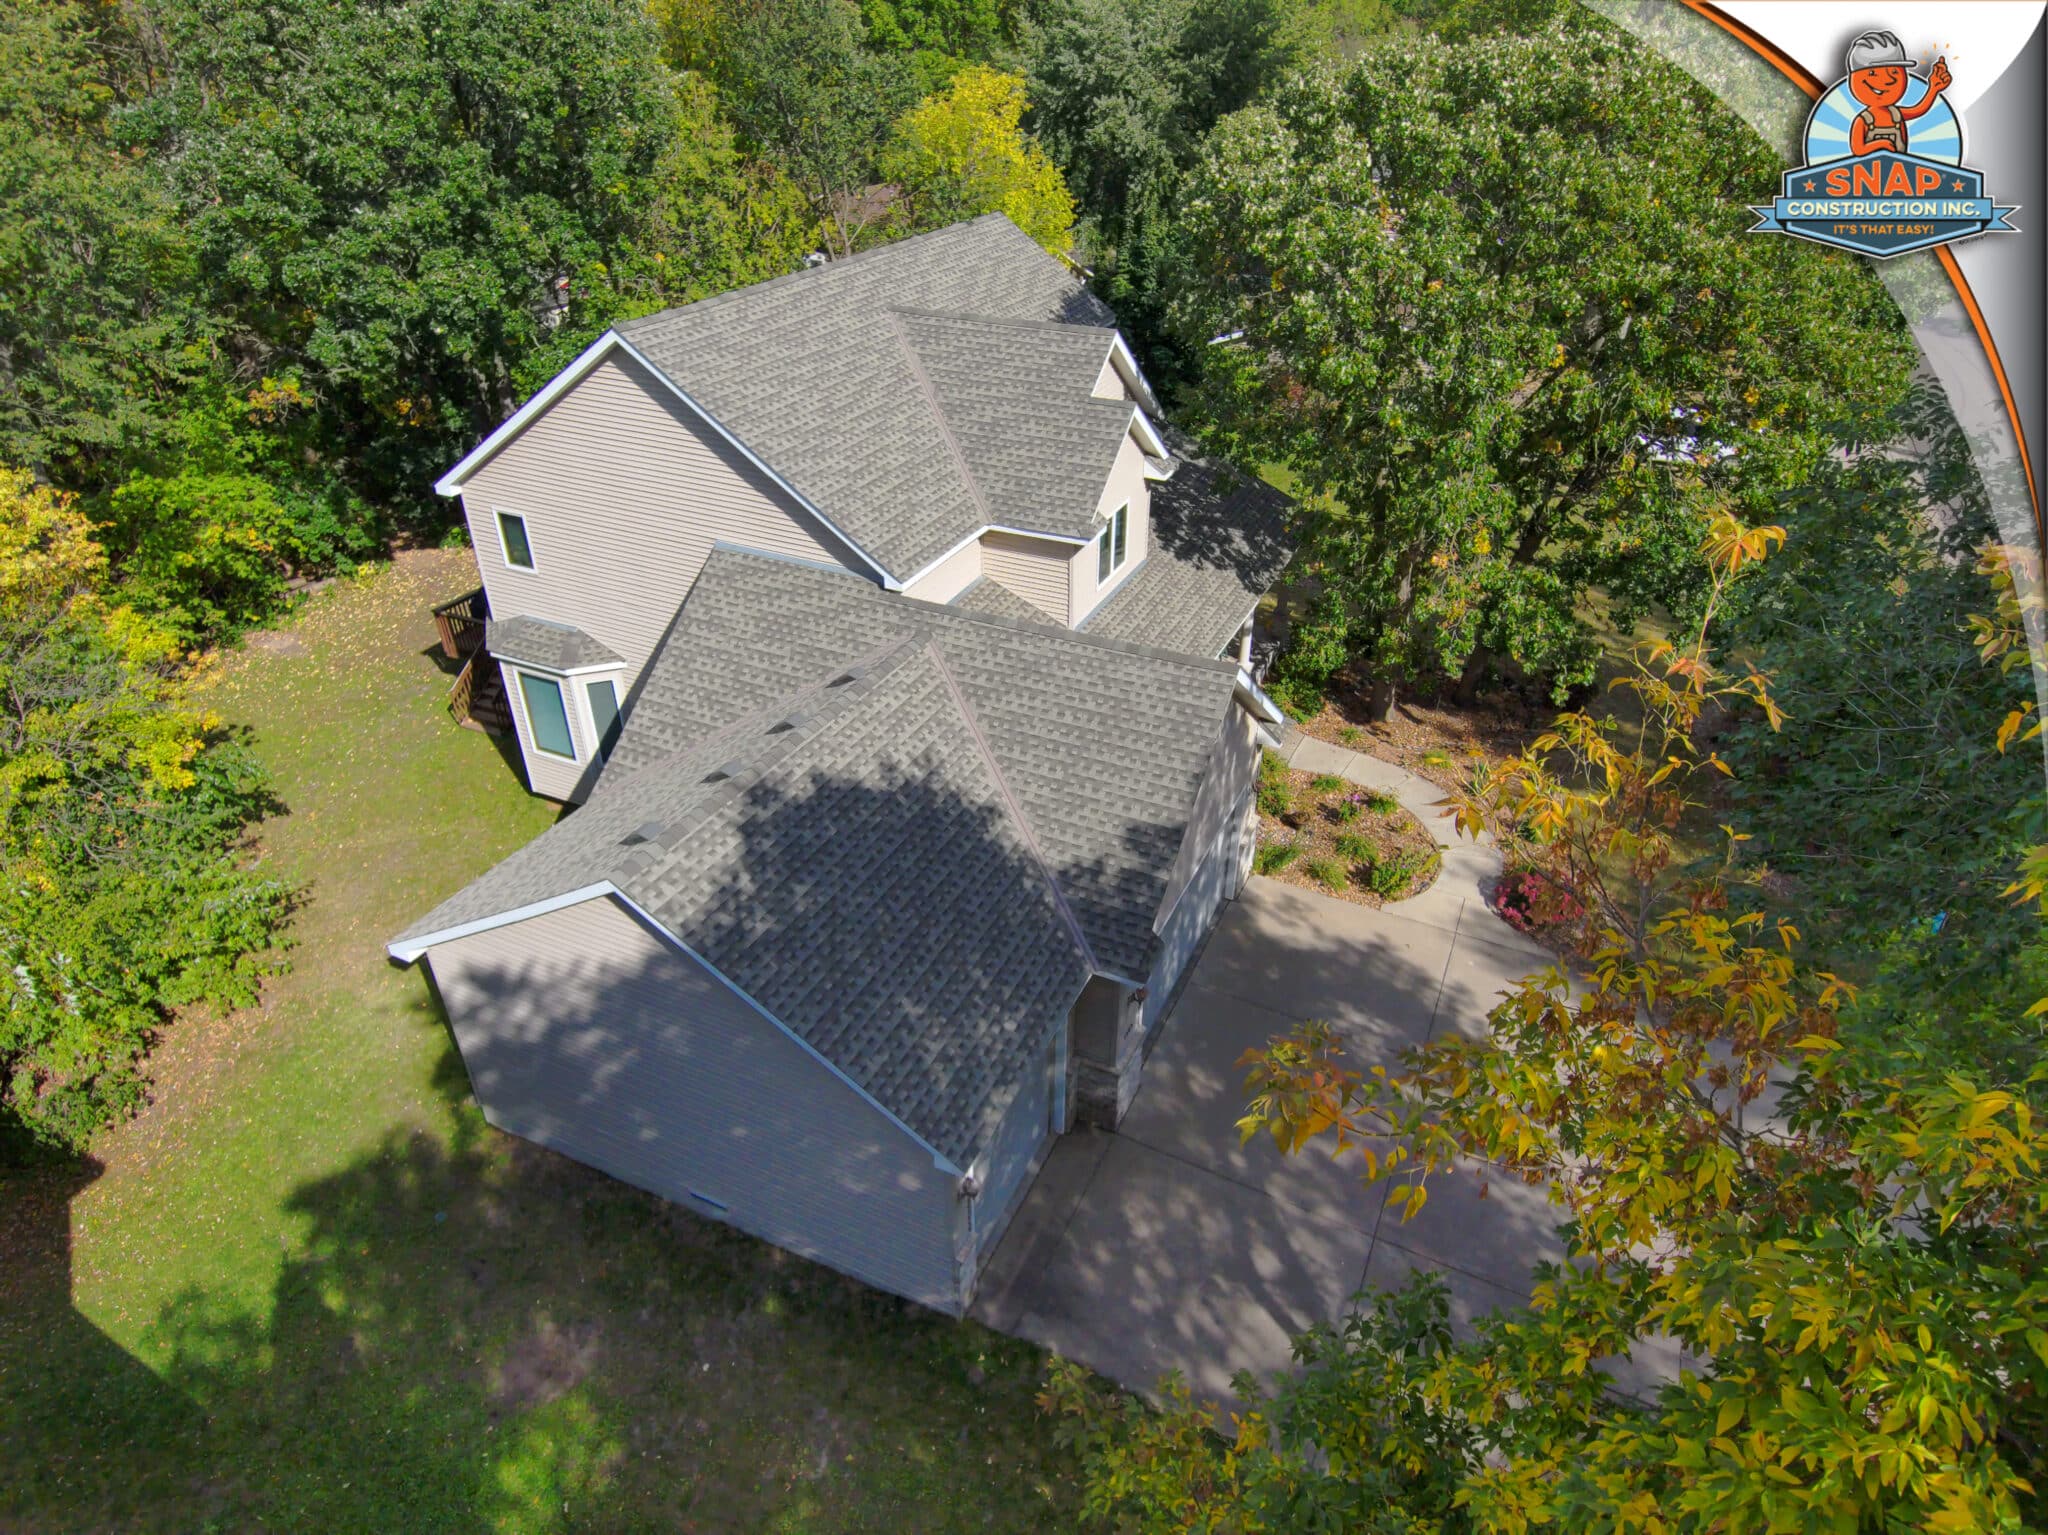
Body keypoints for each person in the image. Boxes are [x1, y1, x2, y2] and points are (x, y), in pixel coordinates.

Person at [1844, 30, 1951, 156]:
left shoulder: (1896, 114)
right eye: (1873, 73)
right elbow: (1858, 149)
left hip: (1899, 171)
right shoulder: (1863, 120)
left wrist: (1933, 88)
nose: (1889, 80)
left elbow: (1919, 109)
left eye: (1894, 72)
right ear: (1853, 80)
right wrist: (1881, 144)